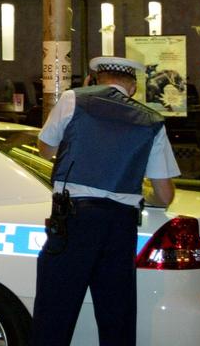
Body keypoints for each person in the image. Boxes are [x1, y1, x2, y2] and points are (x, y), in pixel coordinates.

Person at [31, 56, 180, 346]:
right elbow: (165, 195)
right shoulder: (152, 121)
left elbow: (45, 150)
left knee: (55, 312)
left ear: (93, 78)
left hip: (74, 221)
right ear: (133, 88)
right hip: (121, 226)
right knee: (117, 316)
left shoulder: (74, 99)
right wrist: (142, 195)